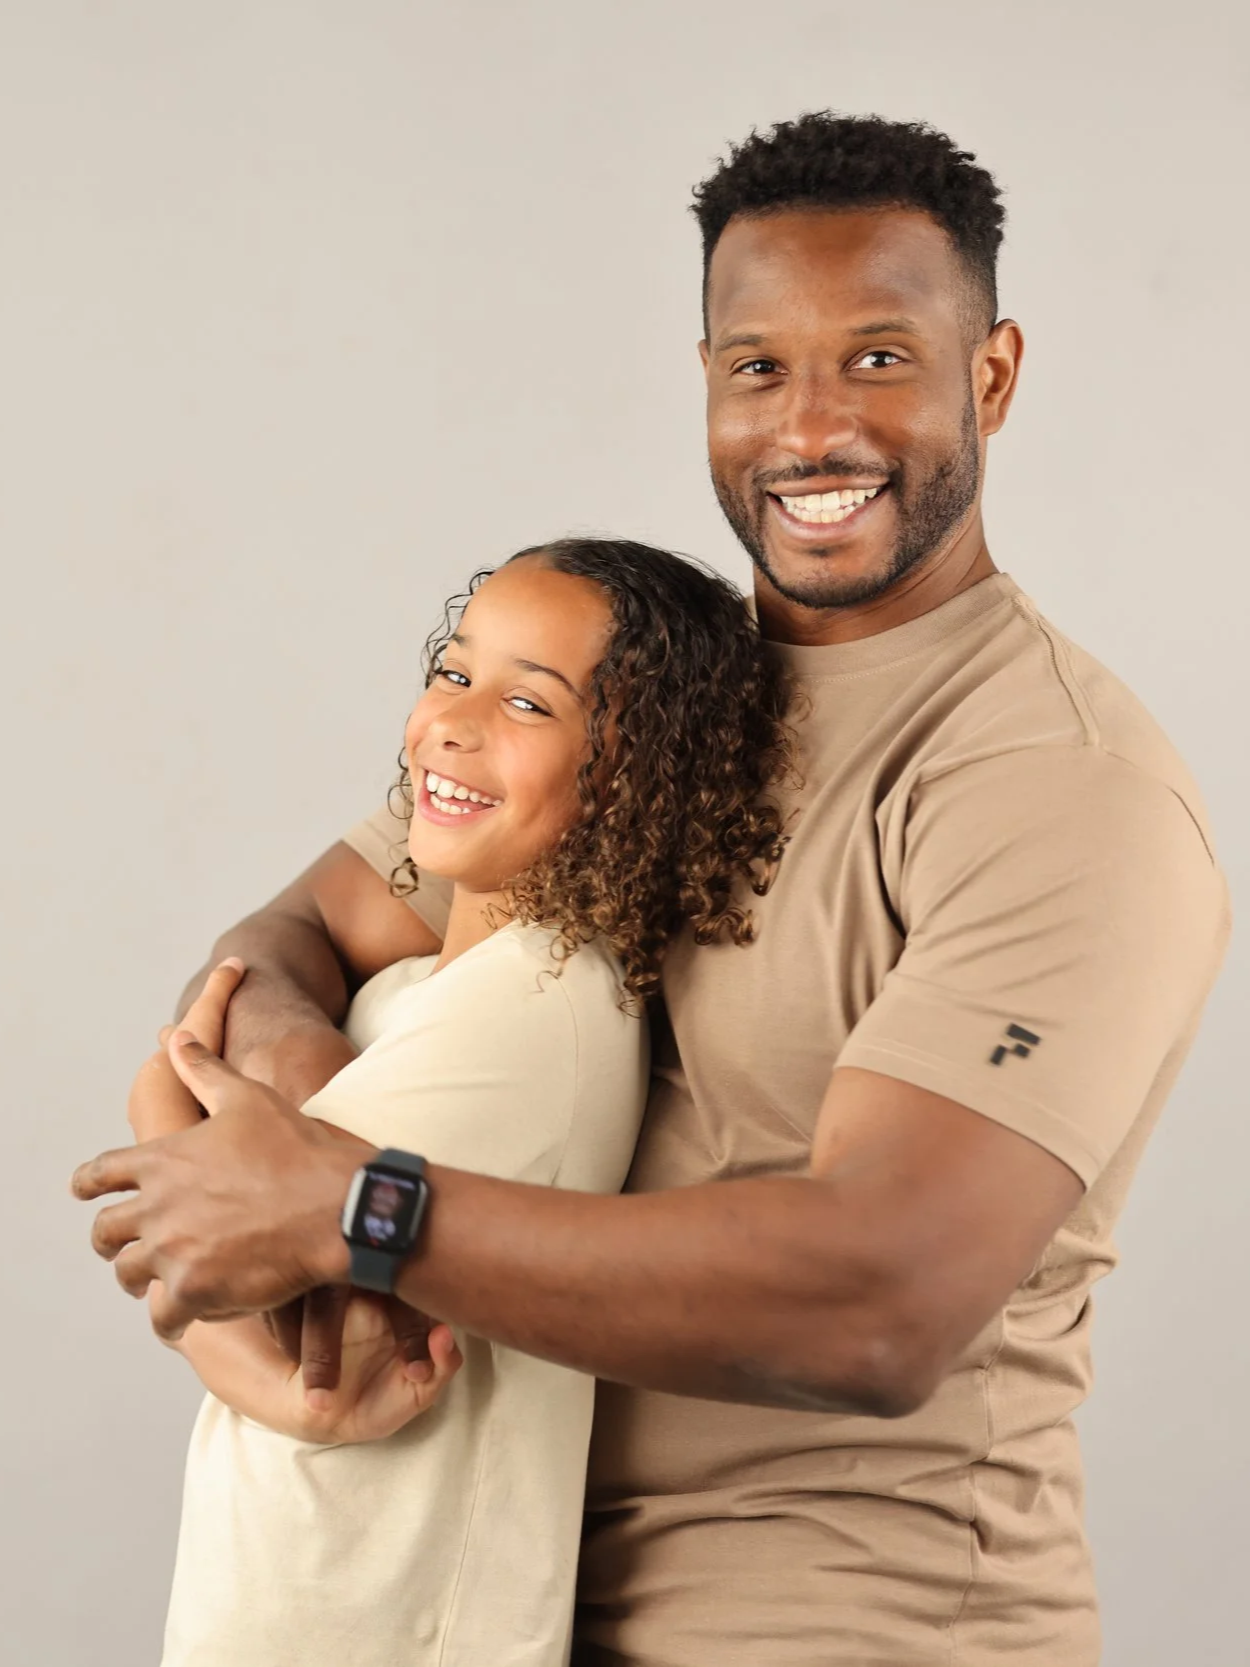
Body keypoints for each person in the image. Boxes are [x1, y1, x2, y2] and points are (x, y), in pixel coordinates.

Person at [76, 114, 1230, 1667]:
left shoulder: (1051, 784)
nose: (811, 427)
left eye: (879, 358)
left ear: (993, 376)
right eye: (758, 366)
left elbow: (879, 1298)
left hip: (840, 1627)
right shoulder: (642, 694)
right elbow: (284, 935)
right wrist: (302, 1075)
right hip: (505, 1593)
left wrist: (352, 1203)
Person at [124, 538, 795, 1667]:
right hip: (291, 1591)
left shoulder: (536, 1006)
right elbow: (218, 1236)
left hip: (382, 1623)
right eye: (452, 667)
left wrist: (162, 1093)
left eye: (528, 701)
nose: (454, 718)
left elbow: (219, 1242)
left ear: (634, 774)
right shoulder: (418, 987)